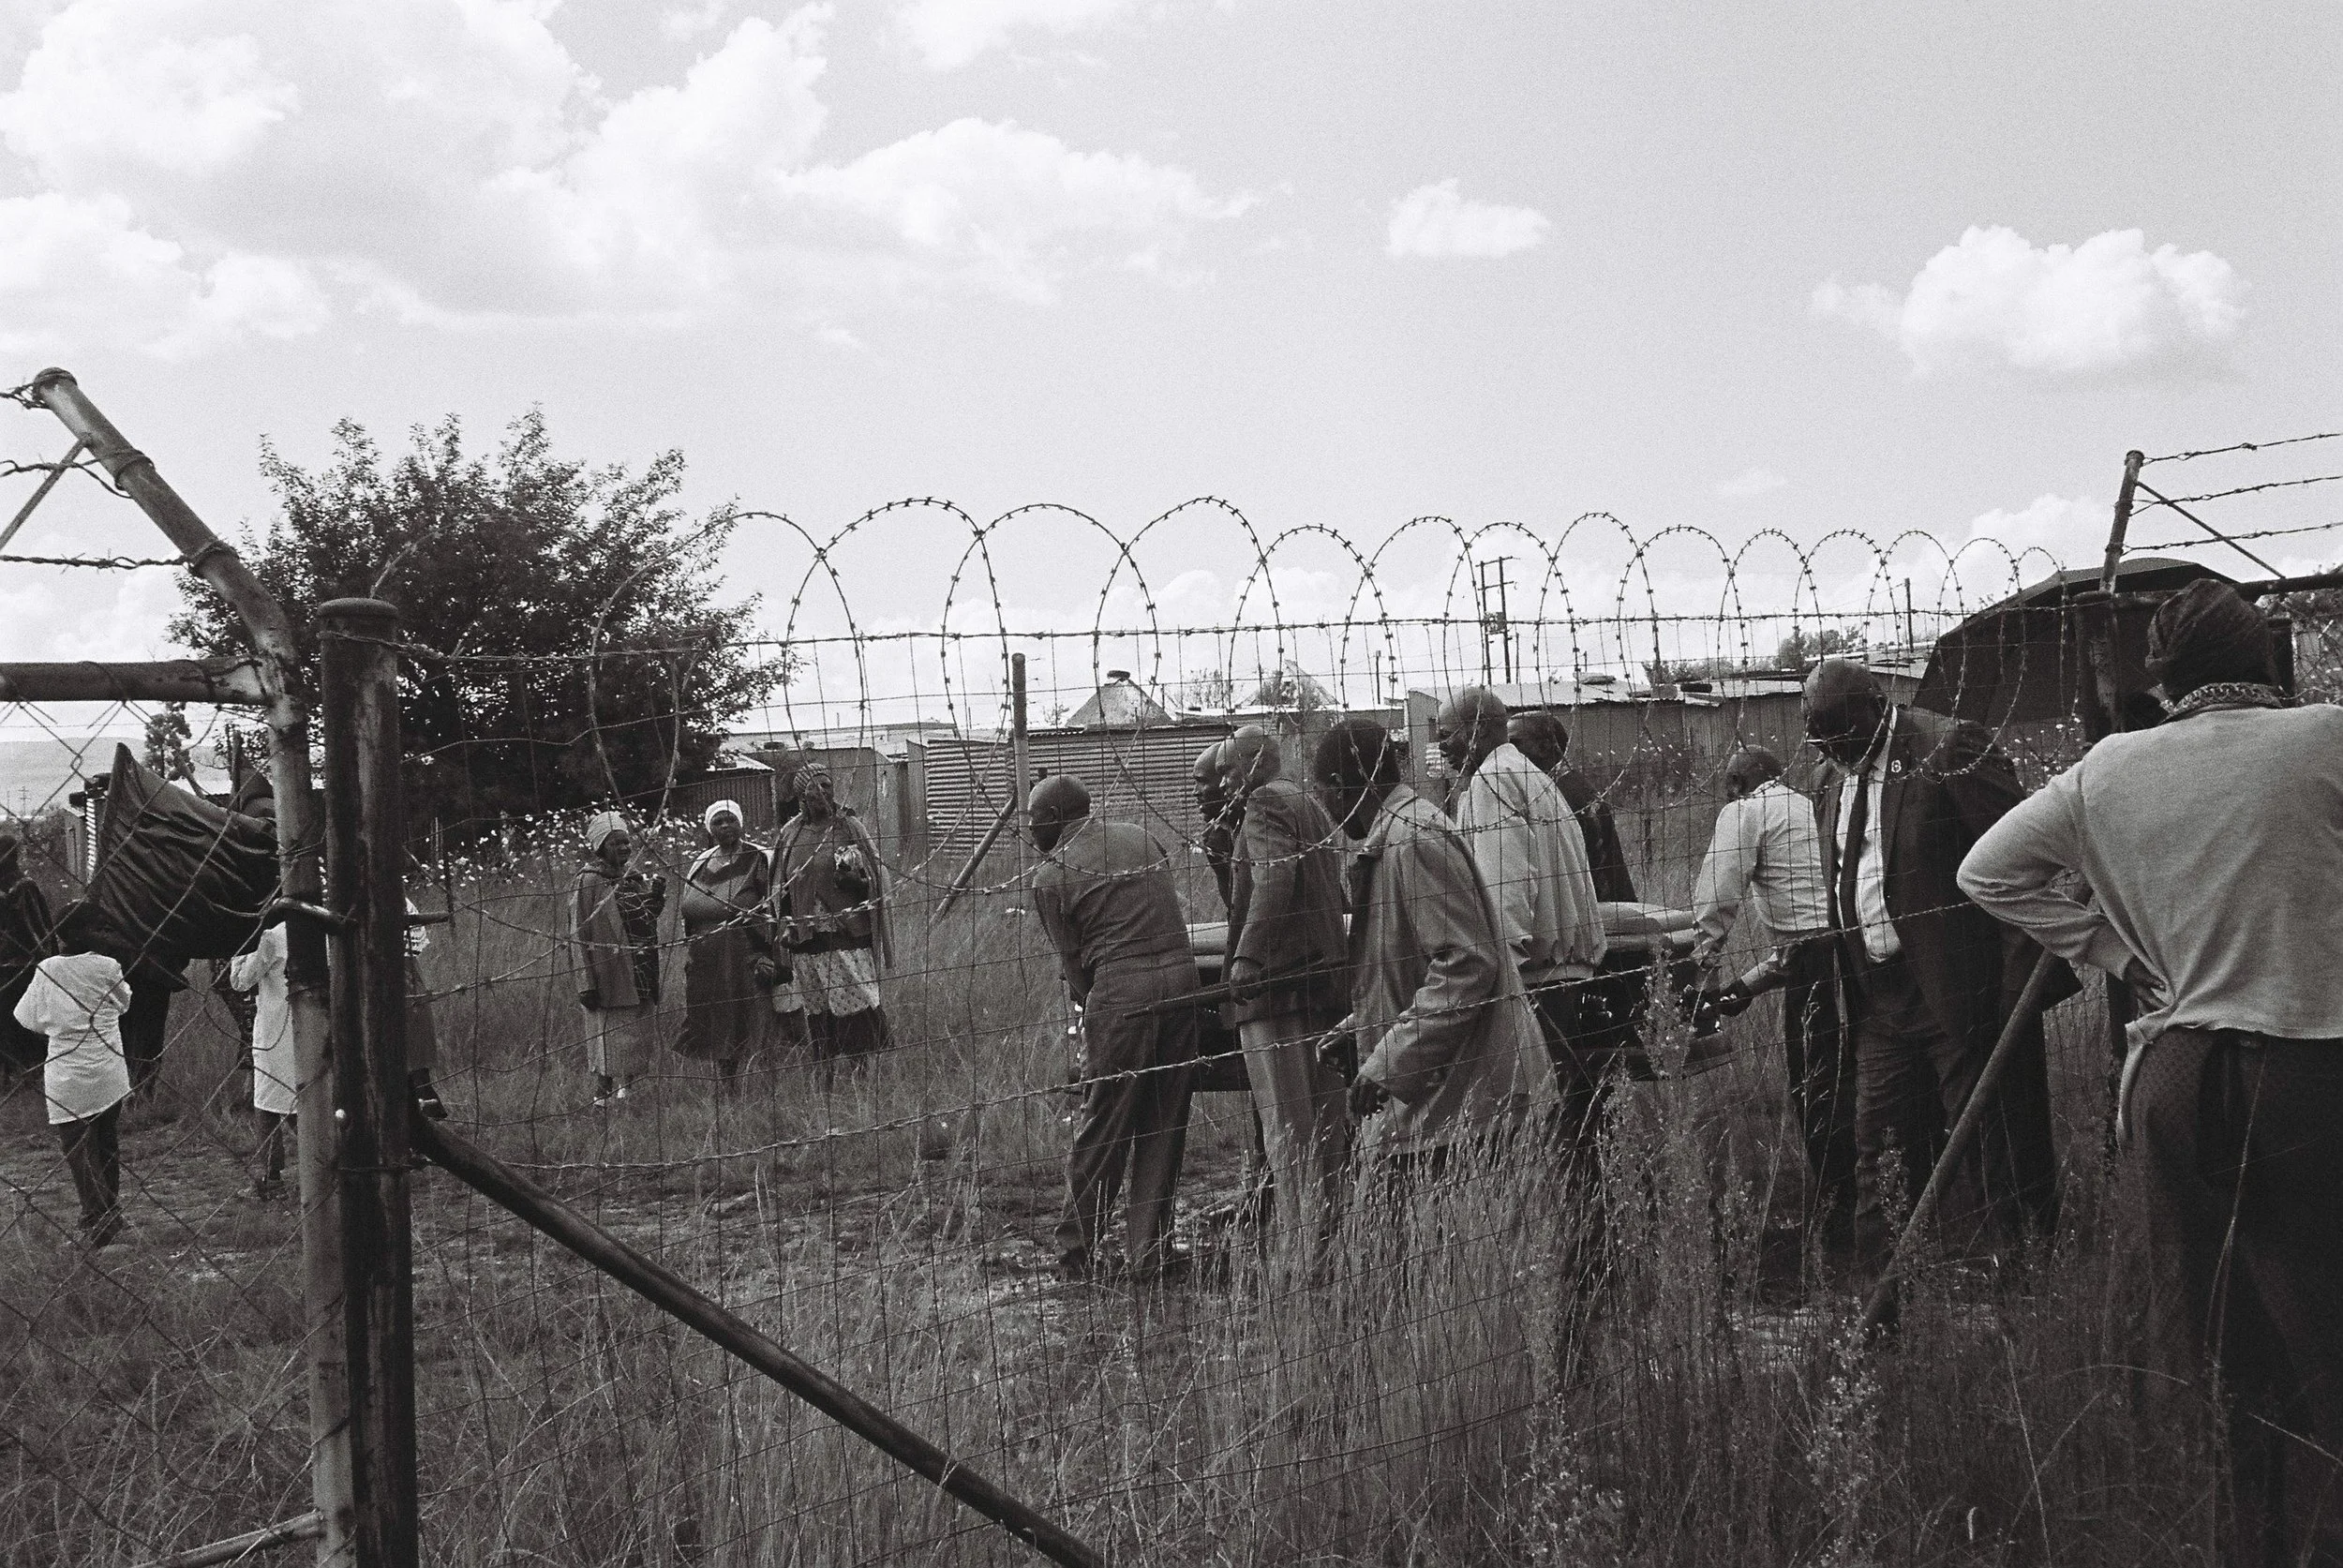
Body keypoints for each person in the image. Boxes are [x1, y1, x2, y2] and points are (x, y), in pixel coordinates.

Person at [1958, 580, 2343, 1568]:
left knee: (2206, 1331)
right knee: (2323, 1323)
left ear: (2163, 680)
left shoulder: (2105, 771)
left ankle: (2238, 1532)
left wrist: (2120, 955)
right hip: (2312, 1065)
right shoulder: (2325, 738)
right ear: (2263, 664)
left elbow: (1986, 872)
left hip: (2173, 1075)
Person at [1803, 657, 2067, 1297]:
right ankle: (1883, 1313)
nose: (1836, 753)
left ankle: (2028, 1298)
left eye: (1842, 736)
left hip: (1963, 996)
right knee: (1881, 1157)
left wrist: (2007, 997)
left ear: (1874, 707)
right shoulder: (1830, 778)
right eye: (1822, 741)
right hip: (1879, 1001)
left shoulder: (1949, 746)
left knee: (1995, 1153)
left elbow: (2029, 866)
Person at [1311, 718, 1555, 1182]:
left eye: (1322, 793)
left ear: (1341, 788)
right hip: (1452, 1099)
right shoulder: (1398, 837)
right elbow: (1410, 966)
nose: (1324, 808)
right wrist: (1362, 1027)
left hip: (1473, 1106)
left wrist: (1388, 1060)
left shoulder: (1414, 839)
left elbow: (1466, 964)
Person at [1028, 775, 1200, 1283]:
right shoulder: (1141, 837)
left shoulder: (1051, 875)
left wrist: (1100, 1016)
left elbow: (1075, 968)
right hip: (1184, 979)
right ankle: (1150, 1249)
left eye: (1035, 818)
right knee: (1165, 1119)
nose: (1031, 828)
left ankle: (1075, 1252)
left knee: (1104, 1121)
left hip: (1122, 990)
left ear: (1057, 816)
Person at [1437, 689, 1609, 1190]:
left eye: (1446, 735)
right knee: (1568, 1115)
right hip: (1562, 968)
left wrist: (1497, 971)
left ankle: (1567, 1233)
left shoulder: (1492, 781)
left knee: (1540, 1120)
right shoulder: (1532, 778)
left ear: (1479, 728)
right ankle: (1586, 1225)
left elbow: (1505, 884)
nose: (1441, 748)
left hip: (1530, 976)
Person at [1688, 745, 1850, 1221]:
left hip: (1817, 964)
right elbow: (1813, 921)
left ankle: (1836, 1209)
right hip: (1853, 951)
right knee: (1855, 1074)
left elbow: (1717, 899)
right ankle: (1867, 1195)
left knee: (1816, 1082)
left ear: (1738, 784)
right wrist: (1746, 987)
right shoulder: (1809, 806)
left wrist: (1697, 975)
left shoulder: (1745, 810)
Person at [1222, 724, 1352, 1257]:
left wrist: (1248, 957)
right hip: (1321, 978)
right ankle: (1336, 1240)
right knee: (1327, 1126)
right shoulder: (1308, 800)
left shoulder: (1264, 802)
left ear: (1253, 766)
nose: (1227, 780)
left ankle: (1304, 1252)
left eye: (1231, 769)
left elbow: (1275, 879)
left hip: (1276, 988)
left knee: (1287, 1127)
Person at [14, 901, 133, 1247]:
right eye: (98, 927)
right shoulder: (109, 966)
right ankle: (108, 1213)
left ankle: (95, 1218)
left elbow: (26, 1017)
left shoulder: (48, 969)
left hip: (67, 1073)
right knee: (106, 1142)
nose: (104, 934)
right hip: (109, 1069)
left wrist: (58, 1023)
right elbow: (123, 1003)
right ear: (75, 932)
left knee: (79, 1150)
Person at [771, 763, 894, 1063]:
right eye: (817, 785)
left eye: (828, 785)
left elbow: (872, 876)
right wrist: (787, 925)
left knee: (854, 1001)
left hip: (847, 932)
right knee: (818, 1005)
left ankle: (860, 1068)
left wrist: (855, 877)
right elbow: (781, 888)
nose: (825, 790)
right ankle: (824, 1066)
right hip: (806, 937)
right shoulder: (791, 834)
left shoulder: (848, 827)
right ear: (802, 794)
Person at [573, 812, 664, 1106]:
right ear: (600, 846)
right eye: (615, 844)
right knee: (608, 1033)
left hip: (640, 968)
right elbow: (578, 933)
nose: (624, 849)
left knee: (635, 1033)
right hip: (608, 972)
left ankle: (629, 1092)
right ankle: (603, 1094)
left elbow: (646, 920)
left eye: (626, 842)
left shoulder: (632, 877)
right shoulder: (589, 881)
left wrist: (656, 898)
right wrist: (585, 982)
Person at [1505, 709, 1640, 903]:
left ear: (1545, 747)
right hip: (1604, 903)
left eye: (1515, 744)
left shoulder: (1562, 795)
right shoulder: (1565, 785)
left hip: (1597, 908)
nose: (1508, 753)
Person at [231, 915, 296, 1199]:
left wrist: (239, 947)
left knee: (268, 1101)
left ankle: (272, 1178)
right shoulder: (320, 930)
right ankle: (327, 1167)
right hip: (312, 1024)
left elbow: (240, 981)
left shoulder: (270, 938)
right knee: (303, 1098)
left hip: (275, 1028)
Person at [0, 832, 54, 1080]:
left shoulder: (24, 887)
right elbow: (41, 929)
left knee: (20, 1021)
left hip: (21, 965)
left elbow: (37, 928)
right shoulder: (25, 886)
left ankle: (24, 1071)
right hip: (20, 964)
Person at [1193, 739, 1238, 913]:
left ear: (1224, 782)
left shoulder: (1253, 825)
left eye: (1202, 782)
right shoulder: (1216, 836)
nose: (1195, 792)